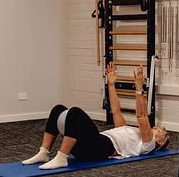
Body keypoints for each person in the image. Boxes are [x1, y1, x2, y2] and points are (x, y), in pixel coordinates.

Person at [22, 63, 169, 169]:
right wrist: (111, 85)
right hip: (87, 145)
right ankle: (44, 153)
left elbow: (142, 116)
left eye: (162, 135)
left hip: (99, 148)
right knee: (58, 109)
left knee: (75, 113)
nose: (159, 132)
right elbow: (116, 110)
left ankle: (61, 157)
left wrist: (139, 88)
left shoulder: (148, 144)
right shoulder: (130, 131)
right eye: (160, 130)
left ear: (159, 143)